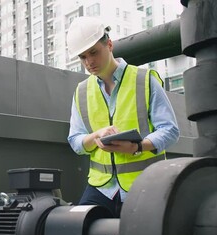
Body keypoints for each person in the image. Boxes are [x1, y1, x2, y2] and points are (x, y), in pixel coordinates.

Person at [66, 17, 179, 218]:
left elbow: (170, 130)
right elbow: (75, 141)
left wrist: (137, 147)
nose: (89, 62)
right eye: (82, 57)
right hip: (100, 188)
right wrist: (96, 136)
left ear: (109, 45)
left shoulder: (145, 79)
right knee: (75, 227)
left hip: (145, 184)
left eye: (93, 52)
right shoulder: (81, 91)